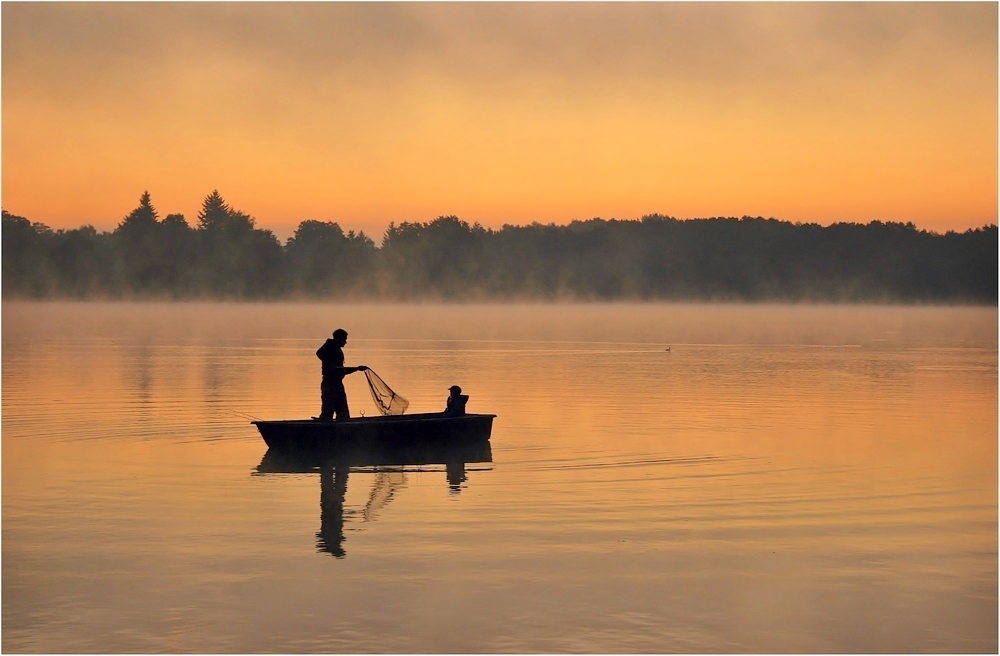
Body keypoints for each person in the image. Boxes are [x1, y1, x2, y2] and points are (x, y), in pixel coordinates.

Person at [316, 328, 367, 421]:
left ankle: (342, 429)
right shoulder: (329, 345)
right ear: (338, 338)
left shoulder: (337, 349)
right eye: (344, 339)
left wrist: (357, 368)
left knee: (343, 412)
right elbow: (319, 353)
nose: (345, 342)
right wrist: (329, 363)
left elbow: (341, 370)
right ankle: (324, 428)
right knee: (328, 412)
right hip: (329, 384)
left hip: (338, 384)